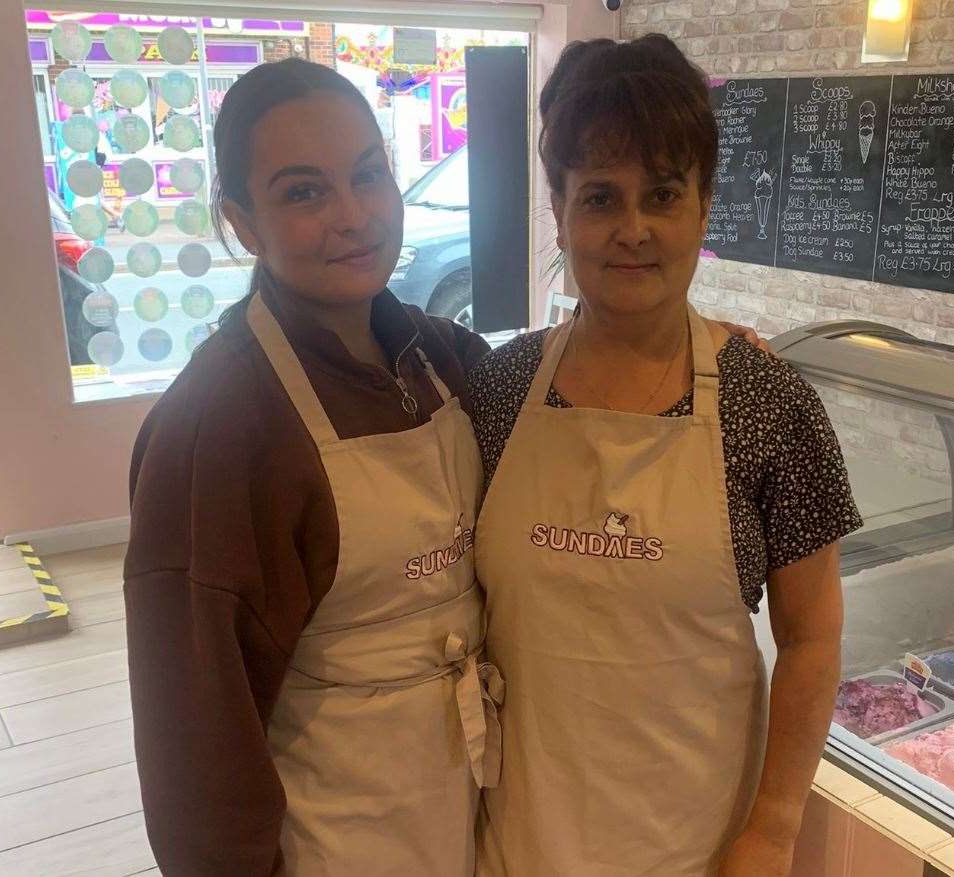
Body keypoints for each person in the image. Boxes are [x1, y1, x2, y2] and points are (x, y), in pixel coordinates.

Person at [124, 56, 766, 874]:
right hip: (334, 839)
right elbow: (196, 744)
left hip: (468, 821)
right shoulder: (217, 427)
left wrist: (704, 347)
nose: (353, 215)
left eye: (367, 175)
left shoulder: (441, 361)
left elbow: (578, 374)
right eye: (302, 192)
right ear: (241, 221)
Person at [468, 35, 862, 876]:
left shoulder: (771, 404)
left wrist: (776, 828)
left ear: (705, 206)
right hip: (517, 840)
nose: (633, 229)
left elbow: (814, 636)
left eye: (664, 194)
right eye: (601, 197)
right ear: (560, 207)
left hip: (700, 845)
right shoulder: (495, 395)